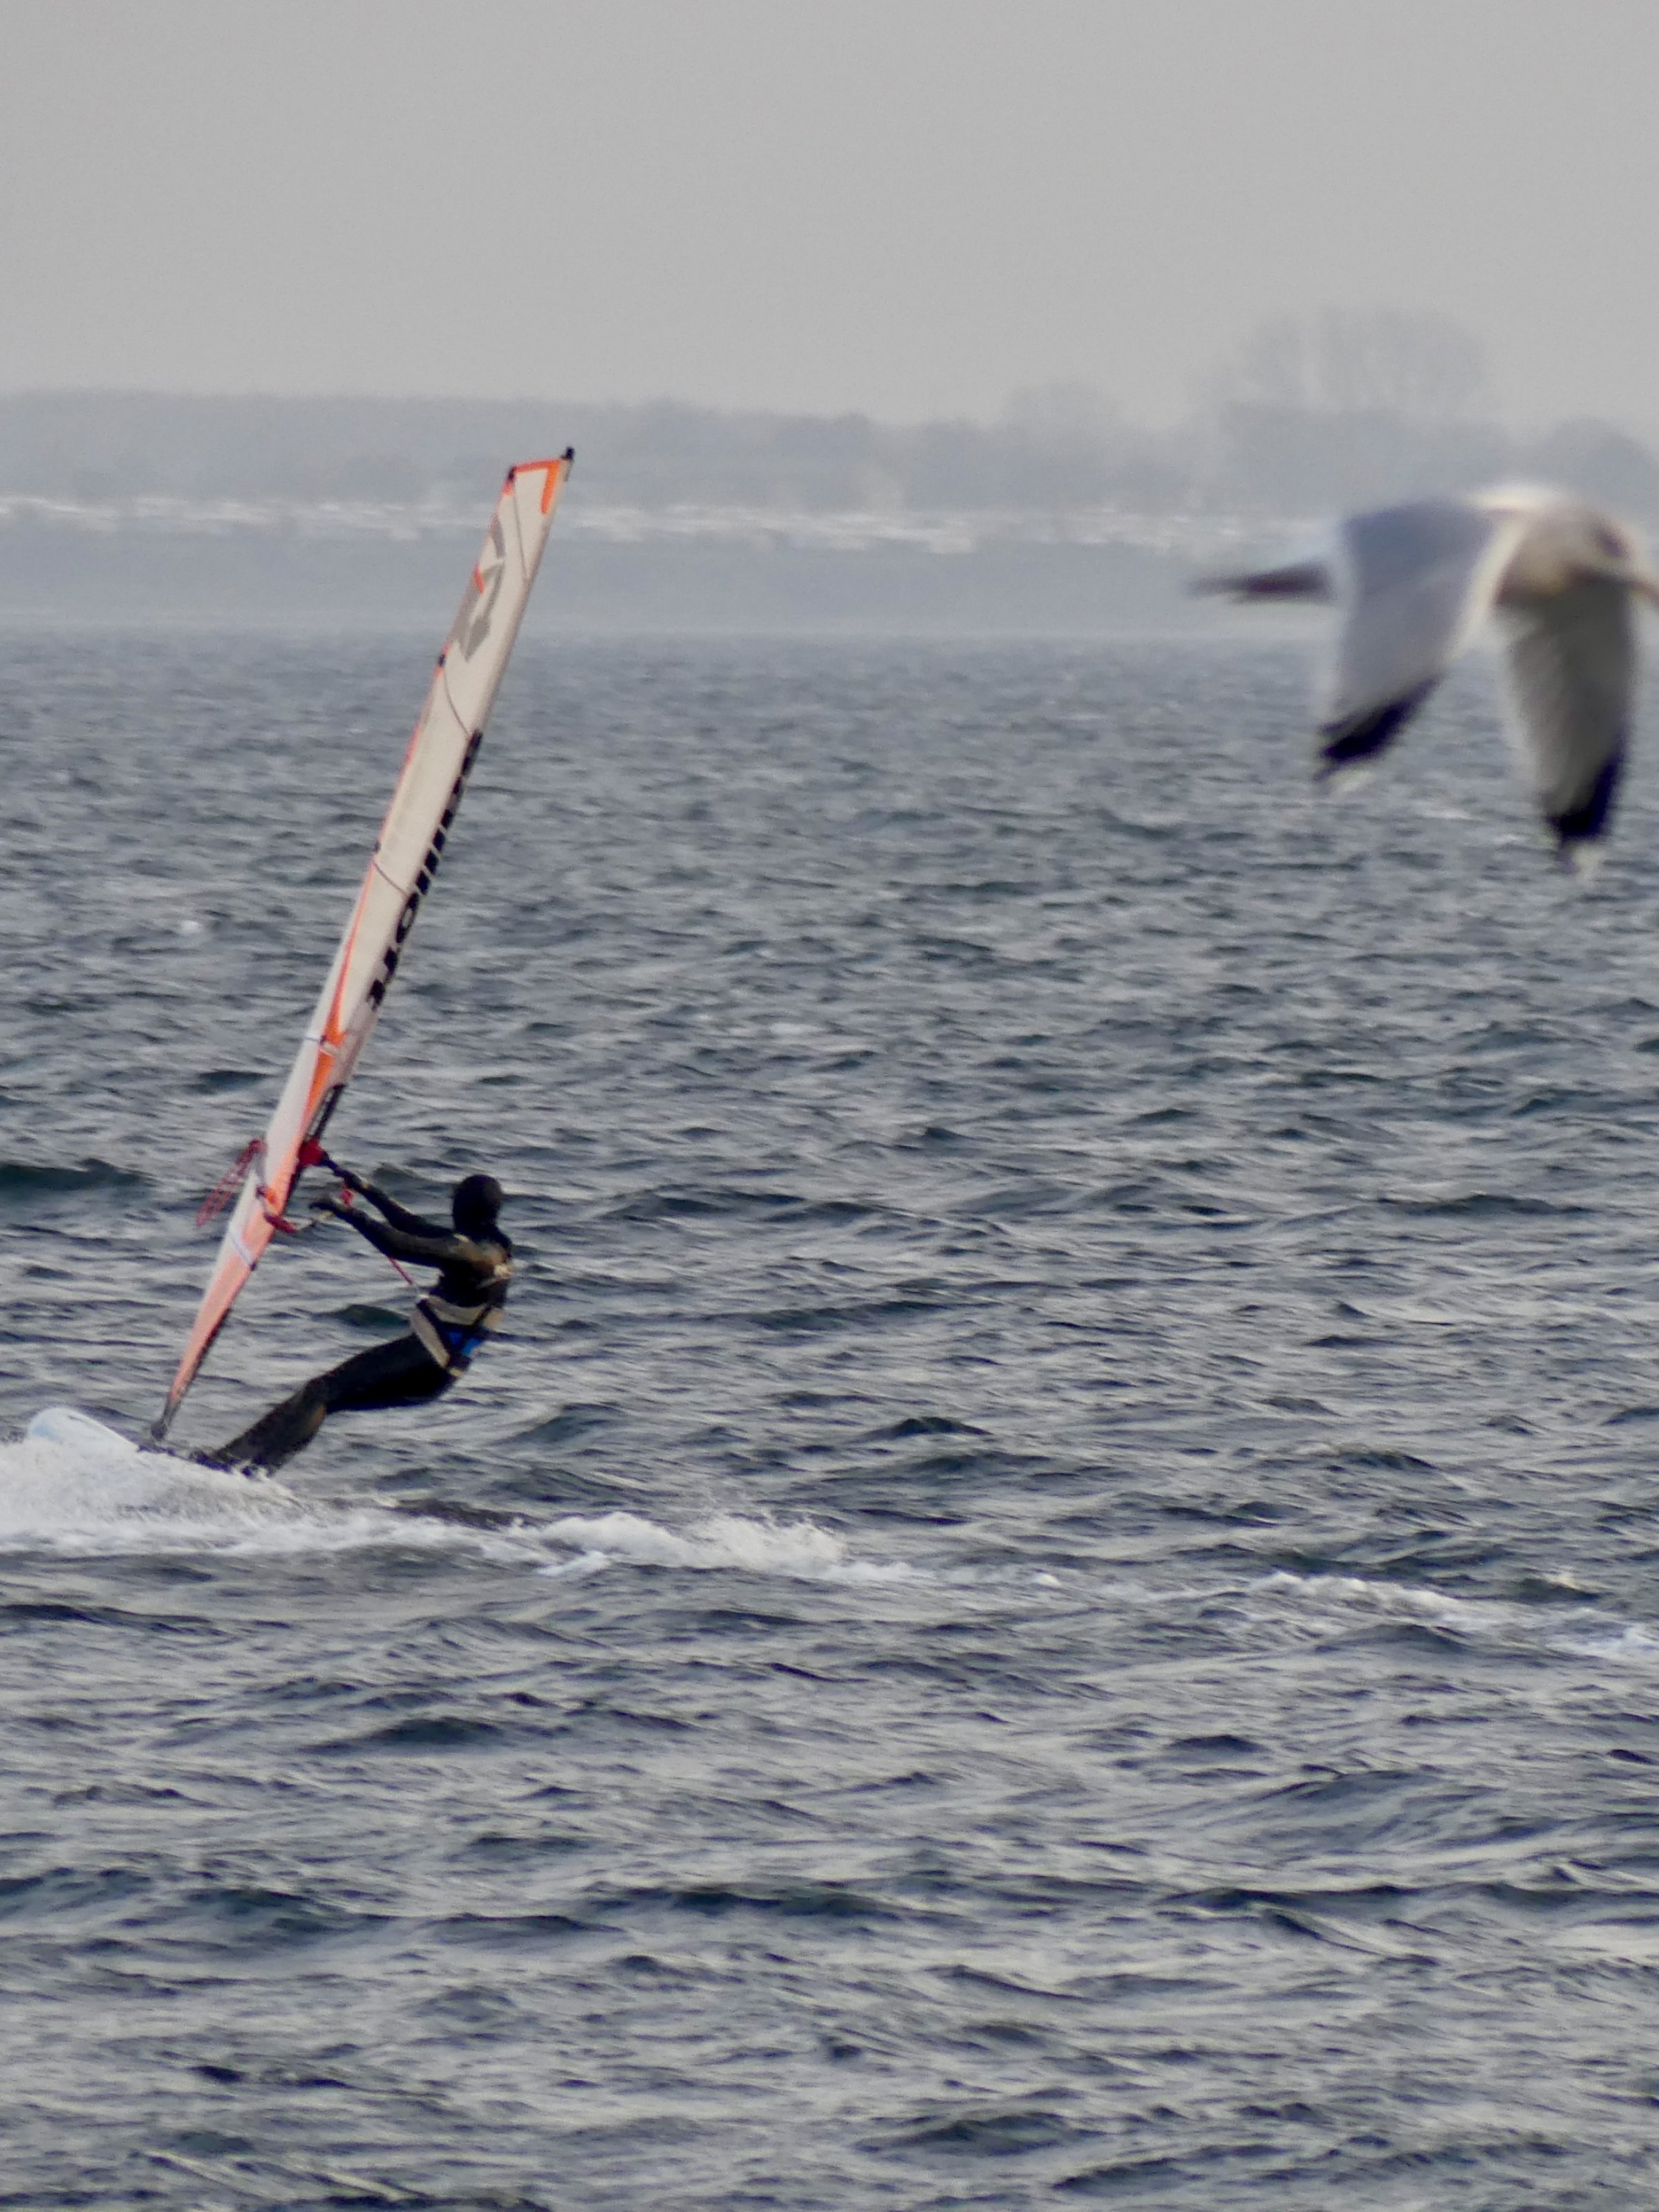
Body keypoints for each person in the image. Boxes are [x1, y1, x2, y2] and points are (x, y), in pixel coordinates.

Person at [206, 1165, 513, 1473]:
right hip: (437, 1368)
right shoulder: (488, 1243)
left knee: (321, 1393)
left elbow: (400, 1245)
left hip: (429, 1361)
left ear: (463, 1206)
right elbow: (410, 1225)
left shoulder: (475, 1254)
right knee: (323, 1396)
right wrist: (363, 1188)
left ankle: (241, 1468)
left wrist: (347, 1213)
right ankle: (240, 1465)